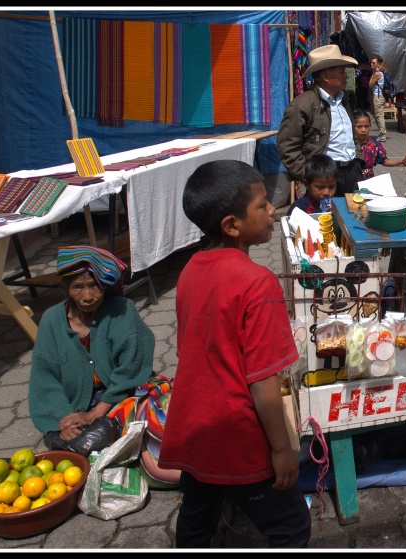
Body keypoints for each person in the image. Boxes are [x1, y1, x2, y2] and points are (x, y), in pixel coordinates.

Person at [158, 160, 310, 549]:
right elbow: (262, 381)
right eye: (263, 205)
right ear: (232, 225)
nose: (273, 209)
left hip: (193, 426)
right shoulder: (257, 283)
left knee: (197, 520)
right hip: (237, 435)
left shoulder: (191, 268)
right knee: (291, 527)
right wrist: (281, 449)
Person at [28, 246, 155, 454]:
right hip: (76, 403)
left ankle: (80, 446)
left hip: (120, 395)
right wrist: (64, 419)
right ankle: (77, 444)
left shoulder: (122, 310)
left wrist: (96, 413)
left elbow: (132, 366)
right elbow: (44, 377)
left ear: (104, 286)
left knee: (121, 425)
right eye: (78, 287)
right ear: (66, 289)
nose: (87, 296)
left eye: (94, 286)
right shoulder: (52, 319)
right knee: (68, 434)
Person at [278, 44, 363, 198]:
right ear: (326, 77)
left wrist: (358, 161)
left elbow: (350, 136)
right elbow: (287, 146)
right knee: (327, 219)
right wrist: (308, 175)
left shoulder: (344, 100)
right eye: (342, 72)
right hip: (325, 178)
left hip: (352, 172)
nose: (346, 76)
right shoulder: (303, 105)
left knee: (356, 216)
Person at [353, 109, 404, 180]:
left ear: (370, 126)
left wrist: (398, 163)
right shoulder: (349, 145)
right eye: (359, 127)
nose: (363, 130)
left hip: (369, 181)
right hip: (352, 180)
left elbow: (384, 161)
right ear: (352, 127)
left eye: (366, 126)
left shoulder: (374, 145)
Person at [368, 54, 389, 142]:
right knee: (376, 115)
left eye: (373, 63)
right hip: (377, 95)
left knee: (379, 115)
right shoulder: (380, 73)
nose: (371, 64)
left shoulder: (377, 74)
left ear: (378, 64)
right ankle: (382, 133)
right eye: (371, 63)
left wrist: (372, 77)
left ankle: (383, 134)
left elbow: (370, 84)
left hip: (378, 96)